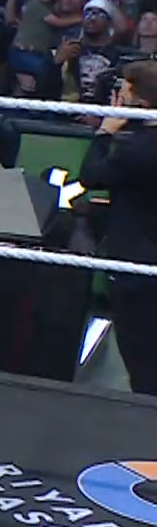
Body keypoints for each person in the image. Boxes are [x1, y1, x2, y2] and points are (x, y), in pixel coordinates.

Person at [80, 62, 157, 397]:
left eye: (123, 92)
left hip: (136, 265)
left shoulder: (139, 149)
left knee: (142, 361)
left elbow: (90, 176)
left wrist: (104, 132)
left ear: (139, 100)